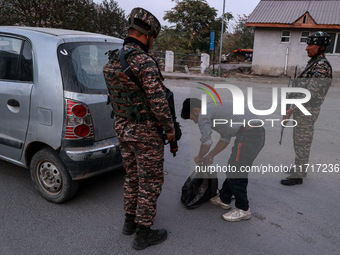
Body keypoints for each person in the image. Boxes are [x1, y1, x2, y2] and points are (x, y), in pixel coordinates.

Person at [103, 7, 175, 250]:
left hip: (123, 129)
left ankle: (129, 222)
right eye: (153, 37)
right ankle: (143, 233)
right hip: (145, 133)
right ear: (148, 35)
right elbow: (158, 103)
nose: (153, 42)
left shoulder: (113, 59)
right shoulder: (144, 62)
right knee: (150, 181)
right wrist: (170, 129)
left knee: (132, 176)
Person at [181, 98, 265, 222]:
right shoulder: (215, 110)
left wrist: (199, 157)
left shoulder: (204, 113)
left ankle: (243, 209)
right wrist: (210, 155)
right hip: (254, 135)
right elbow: (225, 139)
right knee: (234, 167)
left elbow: (206, 142)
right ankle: (224, 198)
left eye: (192, 118)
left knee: (237, 171)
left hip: (249, 136)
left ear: (196, 110)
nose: (195, 122)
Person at [281, 31, 332, 186]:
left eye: (311, 45)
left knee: (303, 141)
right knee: (299, 140)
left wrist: (290, 110)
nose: (307, 48)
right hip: (302, 108)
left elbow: (310, 94)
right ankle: (299, 167)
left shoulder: (322, 67)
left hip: (307, 110)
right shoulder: (314, 63)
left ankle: (298, 174)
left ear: (321, 47)